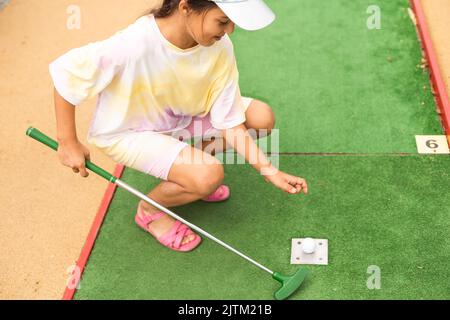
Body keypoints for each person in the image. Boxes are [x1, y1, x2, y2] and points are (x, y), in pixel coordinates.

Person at [51, 0, 308, 252]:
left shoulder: (219, 46)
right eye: (223, 21)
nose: (229, 31)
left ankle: (193, 177)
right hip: (129, 133)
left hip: (183, 117)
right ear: (186, 7)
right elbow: (66, 73)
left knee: (261, 118)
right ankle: (151, 210)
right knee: (209, 175)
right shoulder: (132, 44)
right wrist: (68, 141)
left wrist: (269, 170)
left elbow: (230, 122)